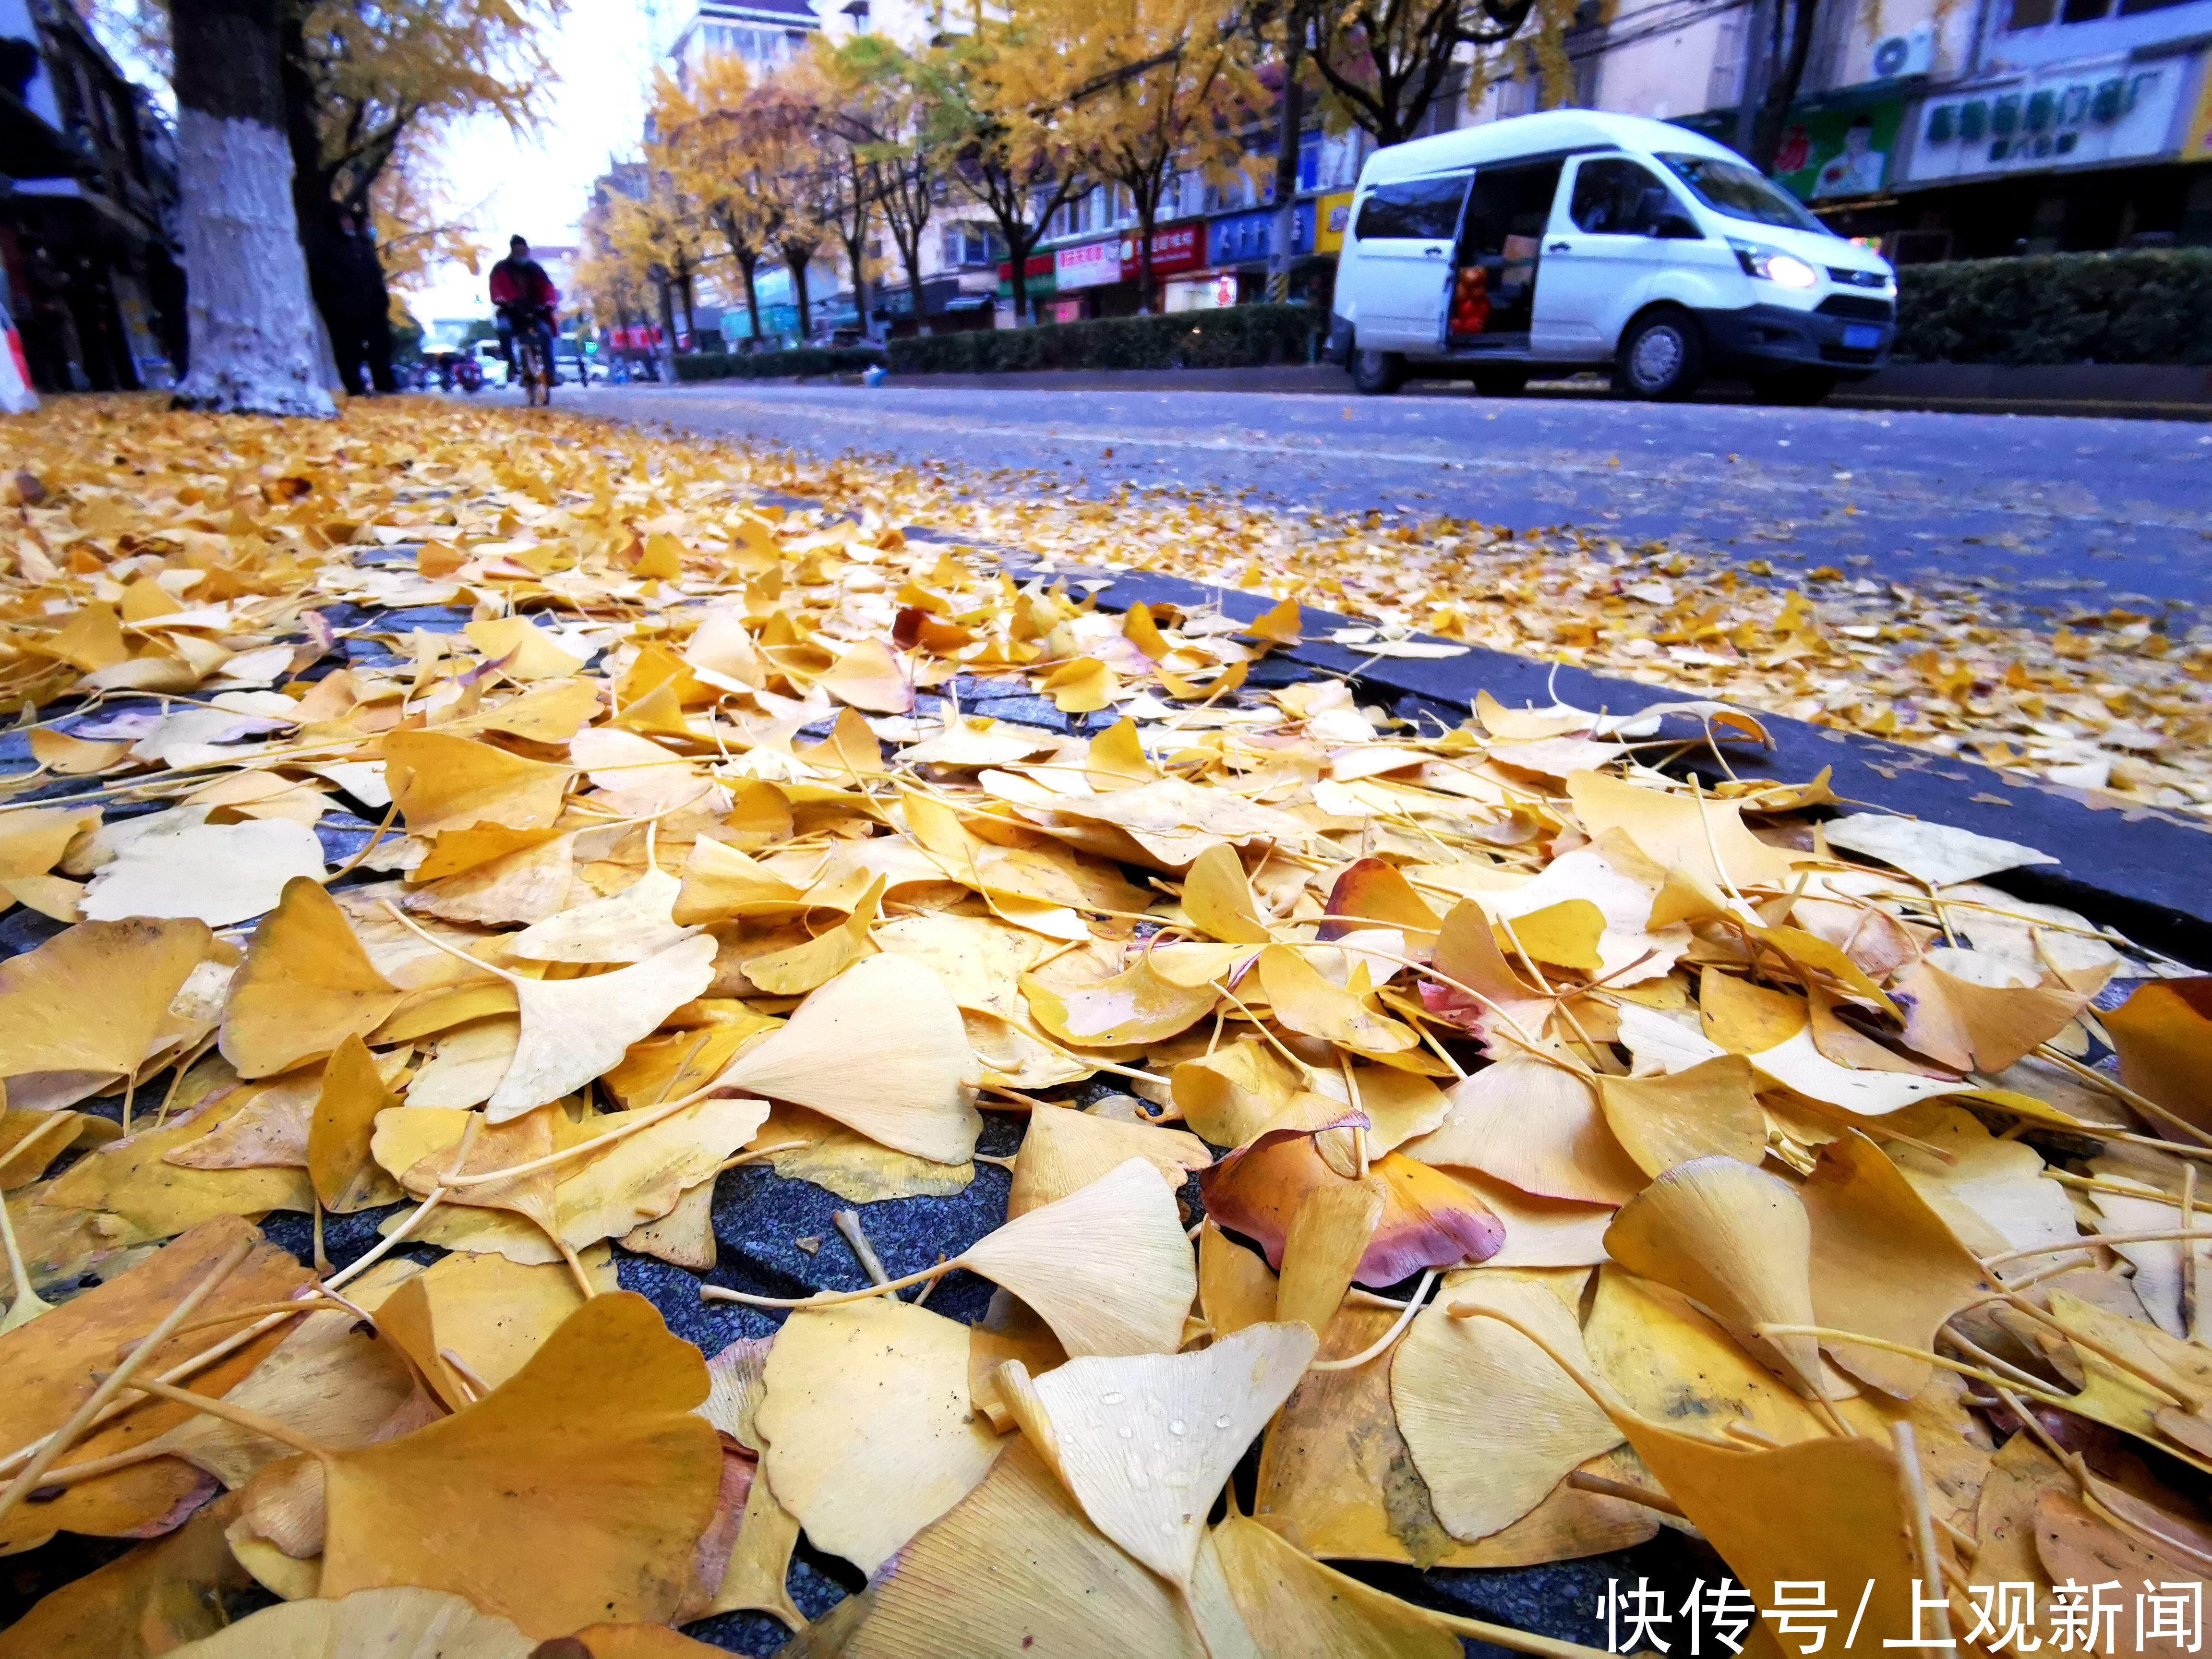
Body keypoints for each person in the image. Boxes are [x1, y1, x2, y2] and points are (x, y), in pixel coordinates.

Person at [324, 209, 396, 395]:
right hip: (345, 309)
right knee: (349, 349)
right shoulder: (332, 247)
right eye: (345, 219)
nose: (349, 224)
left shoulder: (363, 247)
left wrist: (381, 299)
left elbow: (376, 277)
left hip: (372, 307)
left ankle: (384, 383)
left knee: (380, 346)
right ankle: (355, 386)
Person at [489, 236, 559, 387]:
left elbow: (548, 288)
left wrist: (549, 303)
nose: (522, 254)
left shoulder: (535, 269)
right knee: (503, 329)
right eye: (519, 250)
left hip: (534, 312)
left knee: (545, 333)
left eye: (524, 250)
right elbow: (496, 289)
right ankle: (512, 364)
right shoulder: (501, 269)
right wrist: (504, 301)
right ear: (513, 250)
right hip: (510, 313)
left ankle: (550, 373)